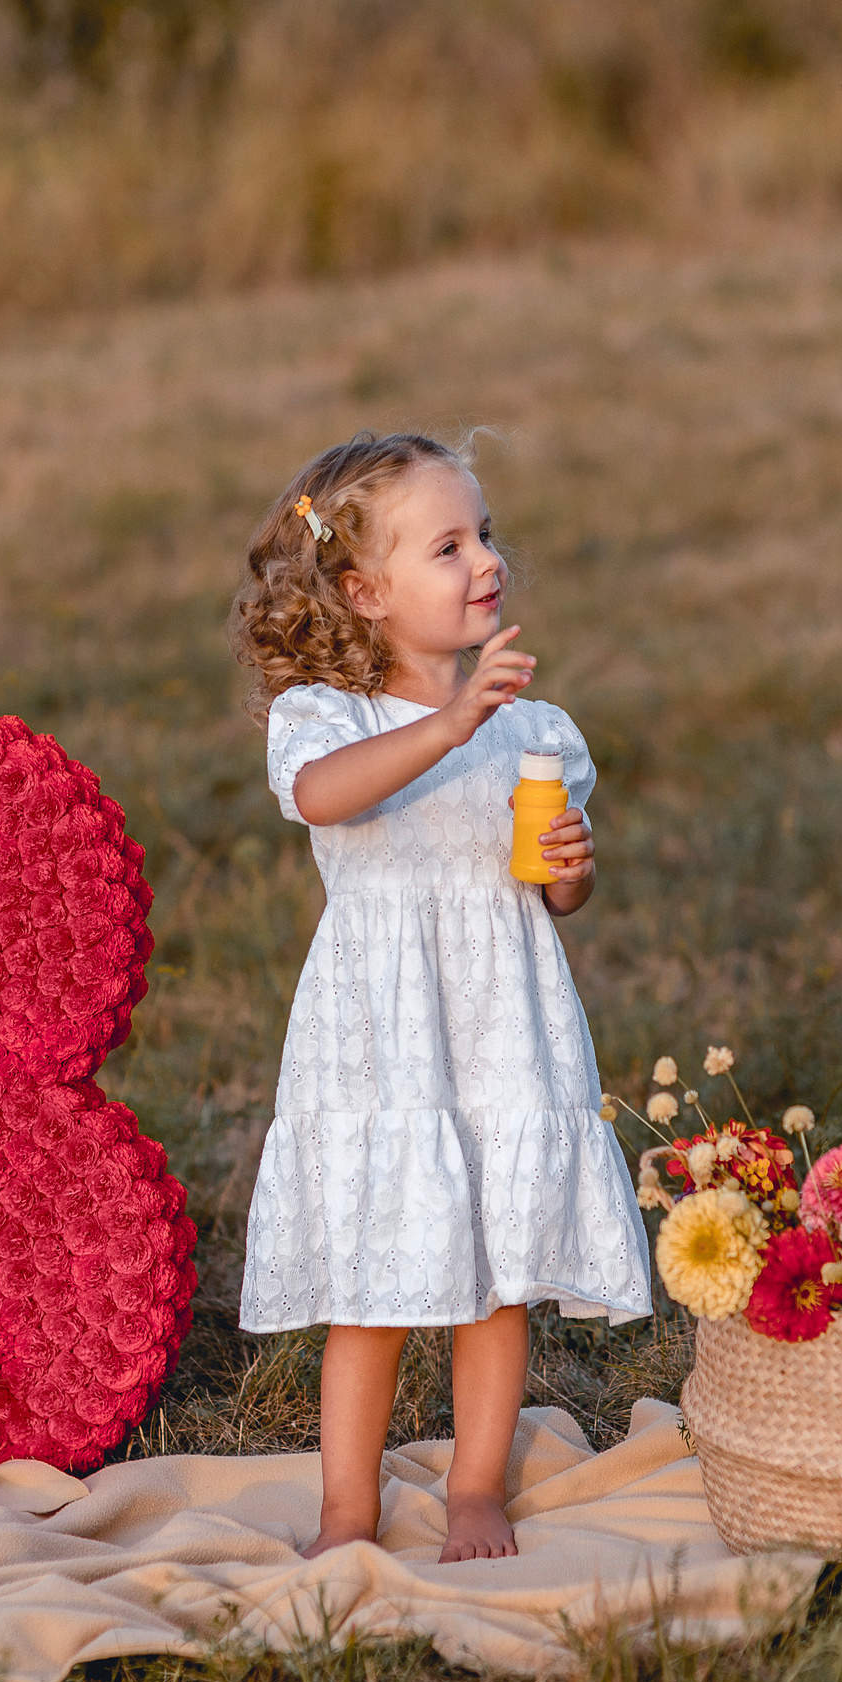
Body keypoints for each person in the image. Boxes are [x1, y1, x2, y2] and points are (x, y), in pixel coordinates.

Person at [229, 431, 653, 1563]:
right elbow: (325, 799)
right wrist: (452, 723)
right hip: (381, 1031)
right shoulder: (326, 717)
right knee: (371, 1286)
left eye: (486, 534)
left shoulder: (532, 731)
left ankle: (476, 1485)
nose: (485, 560)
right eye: (449, 544)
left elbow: (560, 895)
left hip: (500, 1020)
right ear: (364, 594)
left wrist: (568, 859)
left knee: (495, 1273)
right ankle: (346, 1508)